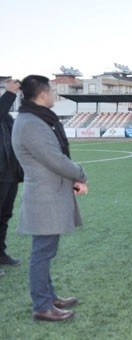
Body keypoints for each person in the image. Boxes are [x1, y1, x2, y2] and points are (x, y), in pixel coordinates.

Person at [12, 75, 88, 321]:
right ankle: (42, 306)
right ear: (43, 95)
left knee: (45, 250)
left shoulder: (33, 119)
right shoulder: (32, 123)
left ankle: (48, 296)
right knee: (42, 252)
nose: (55, 96)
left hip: (47, 195)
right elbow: (55, 159)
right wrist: (80, 174)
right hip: (44, 198)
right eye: (52, 92)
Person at [0, 79, 22, 275]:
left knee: (5, 216)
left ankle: (1, 254)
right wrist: (9, 93)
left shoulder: (6, 117)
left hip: (9, 174)